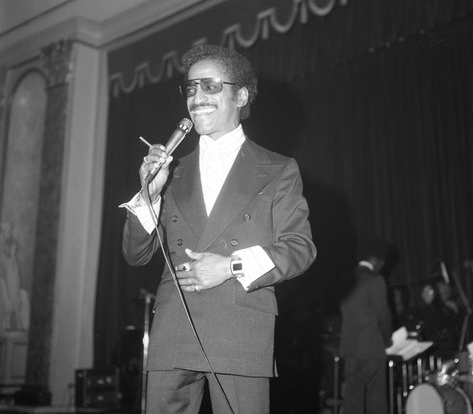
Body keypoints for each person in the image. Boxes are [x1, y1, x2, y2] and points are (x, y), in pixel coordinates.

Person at [120, 44, 317, 414]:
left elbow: (300, 249)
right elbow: (135, 255)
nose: (197, 97)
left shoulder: (277, 169)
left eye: (210, 86)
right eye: (191, 88)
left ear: (240, 95)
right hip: (174, 329)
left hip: (240, 329)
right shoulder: (172, 172)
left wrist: (228, 266)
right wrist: (149, 192)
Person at [339, 237, 393, 414]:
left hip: (350, 349)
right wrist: (388, 339)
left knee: (353, 401)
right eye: (382, 262)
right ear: (375, 259)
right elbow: (383, 315)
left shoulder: (345, 280)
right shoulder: (375, 280)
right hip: (371, 349)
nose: (382, 266)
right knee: (376, 402)